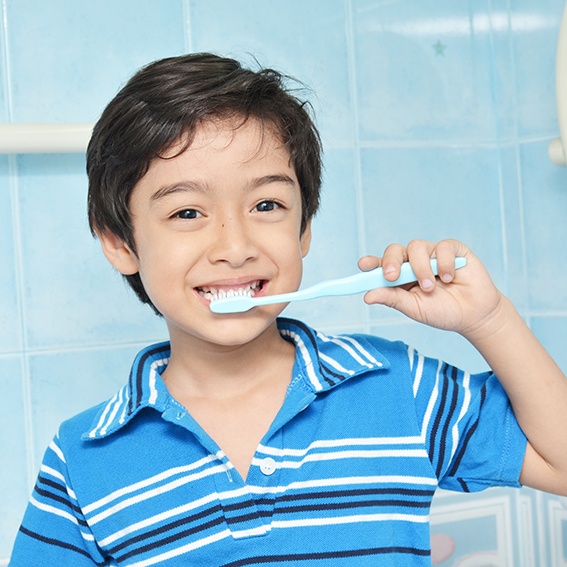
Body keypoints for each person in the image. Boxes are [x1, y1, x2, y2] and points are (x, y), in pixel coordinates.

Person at [9, 53, 567, 567]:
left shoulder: (395, 386)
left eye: (267, 204)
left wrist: (489, 320)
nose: (234, 245)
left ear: (304, 229)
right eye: (186, 213)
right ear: (120, 243)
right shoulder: (83, 459)